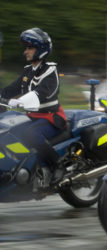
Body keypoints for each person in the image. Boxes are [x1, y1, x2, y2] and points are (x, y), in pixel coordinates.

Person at [0, 28, 66, 186]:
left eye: (30, 48)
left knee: (32, 134)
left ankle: (57, 166)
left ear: (40, 49)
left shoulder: (50, 70)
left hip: (51, 118)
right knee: (11, 132)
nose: (26, 52)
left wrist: (19, 101)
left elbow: (43, 92)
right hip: (32, 117)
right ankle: (21, 169)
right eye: (26, 48)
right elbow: (10, 89)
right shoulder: (27, 71)